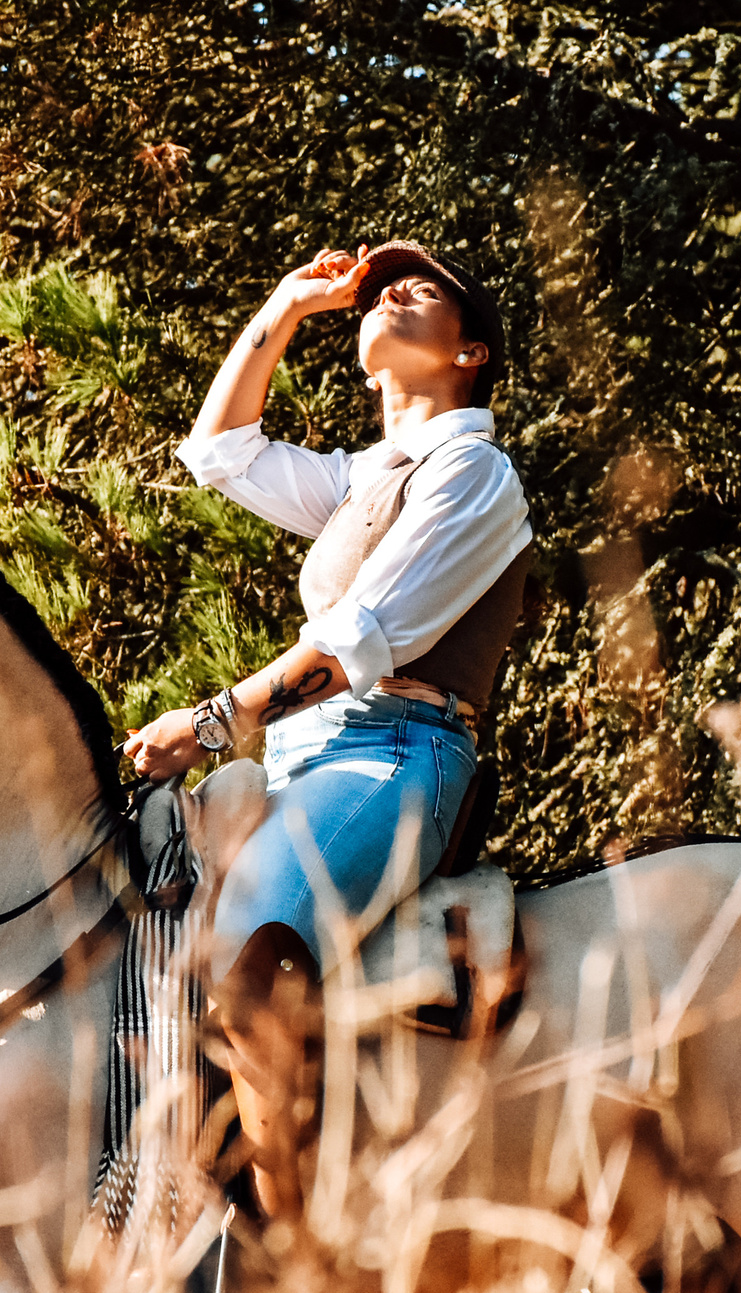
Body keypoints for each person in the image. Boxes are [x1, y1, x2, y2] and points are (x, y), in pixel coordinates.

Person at [122, 242, 532, 1225]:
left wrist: (215, 722)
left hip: (395, 753)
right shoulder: (364, 478)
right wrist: (286, 306)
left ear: (470, 353)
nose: (390, 289)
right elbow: (218, 452)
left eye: (420, 288)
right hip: (304, 762)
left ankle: (289, 1241)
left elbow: (354, 644)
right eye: (382, 283)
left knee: (249, 933)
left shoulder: (474, 472)